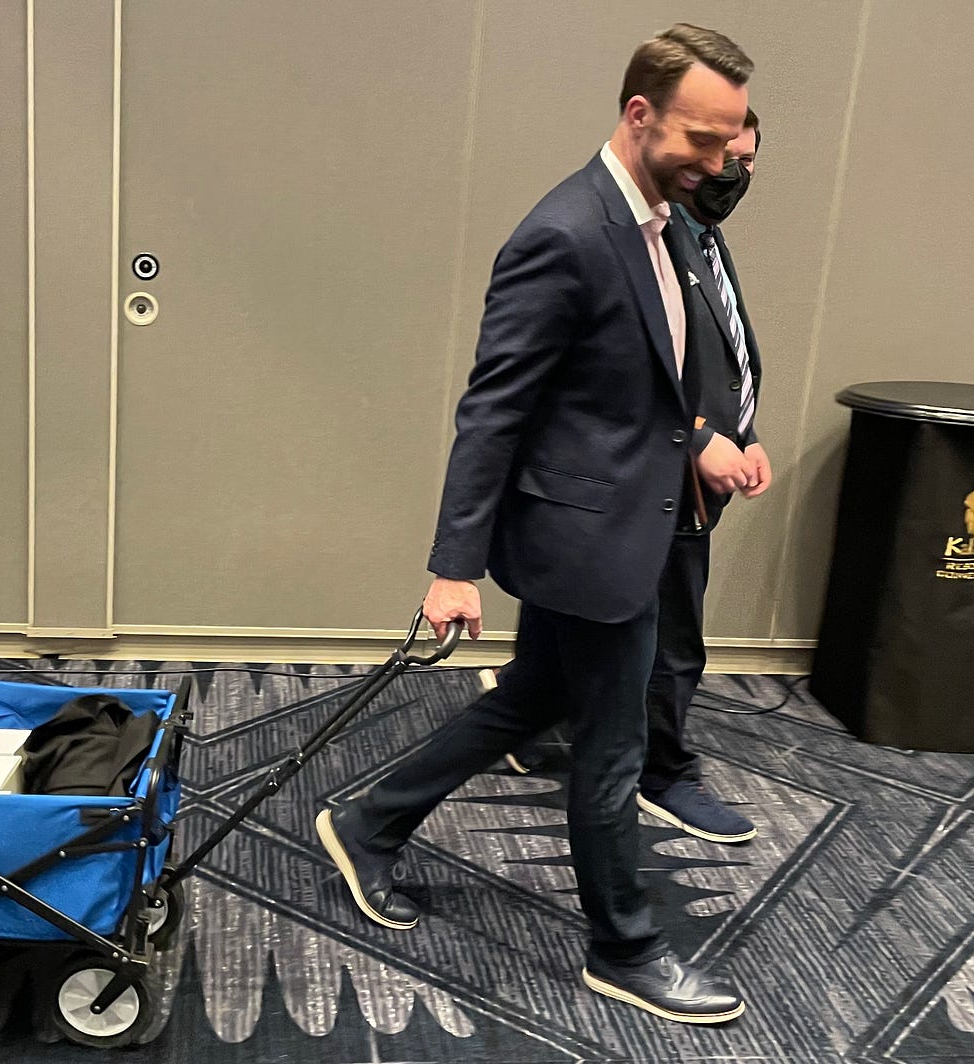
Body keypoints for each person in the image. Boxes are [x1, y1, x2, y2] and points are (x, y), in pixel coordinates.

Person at [315, 24, 753, 1025]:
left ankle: (365, 819)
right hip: (588, 542)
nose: (720, 162)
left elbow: (650, 381)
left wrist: (704, 441)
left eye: (731, 143)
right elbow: (495, 408)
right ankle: (625, 947)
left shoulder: (669, 222)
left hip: (633, 522)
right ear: (637, 113)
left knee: (529, 699)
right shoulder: (564, 231)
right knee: (608, 750)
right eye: (703, 138)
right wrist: (453, 565)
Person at [506, 112, 770, 848]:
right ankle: (663, 775)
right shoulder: (632, 240)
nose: (732, 174)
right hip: (653, 478)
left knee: (590, 628)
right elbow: (615, 381)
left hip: (687, 471)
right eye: (721, 157)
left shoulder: (699, 236)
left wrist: (742, 433)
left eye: (747, 161)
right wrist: (700, 439)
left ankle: (531, 716)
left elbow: (713, 359)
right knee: (668, 638)